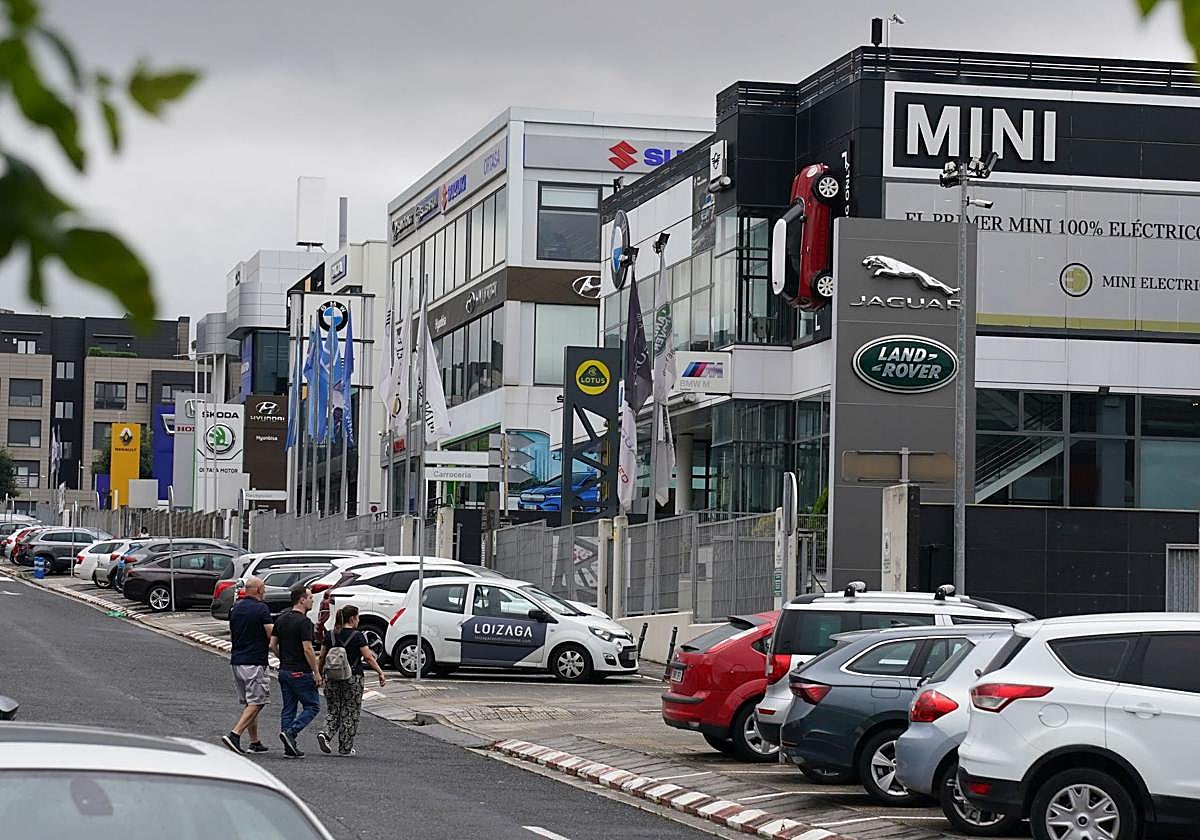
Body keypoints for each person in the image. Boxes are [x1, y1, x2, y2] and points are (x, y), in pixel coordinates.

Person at [316, 605, 386, 756]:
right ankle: (345, 748)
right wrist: (380, 672)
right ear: (353, 618)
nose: (358, 620)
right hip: (353, 677)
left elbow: (322, 656)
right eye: (358, 617)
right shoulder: (358, 636)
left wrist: (319, 673)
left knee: (334, 708)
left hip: (332, 677)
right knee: (350, 711)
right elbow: (368, 657)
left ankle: (325, 733)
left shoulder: (330, 635)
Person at [220, 576, 272, 754]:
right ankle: (235, 734)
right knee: (258, 702)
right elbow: (270, 634)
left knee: (250, 702)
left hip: (237, 660)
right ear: (258, 590)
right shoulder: (261, 609)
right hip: (255, 661)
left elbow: (232, 633)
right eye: (263, 589)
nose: (264, 592)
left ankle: (255, 741)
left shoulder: (235, 607)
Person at [272, 583, 322, 758]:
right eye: (310, 598)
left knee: (289, 708)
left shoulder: (281, 619)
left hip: (284, 670)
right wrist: (316, 671)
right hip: (300, 671)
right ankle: (291, 732)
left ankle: (289, 746)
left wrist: (283, 658)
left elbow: (272, 644)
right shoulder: (304, 622)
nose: (312, 601)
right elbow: (307, 648)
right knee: (313, 706)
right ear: (301, 600)